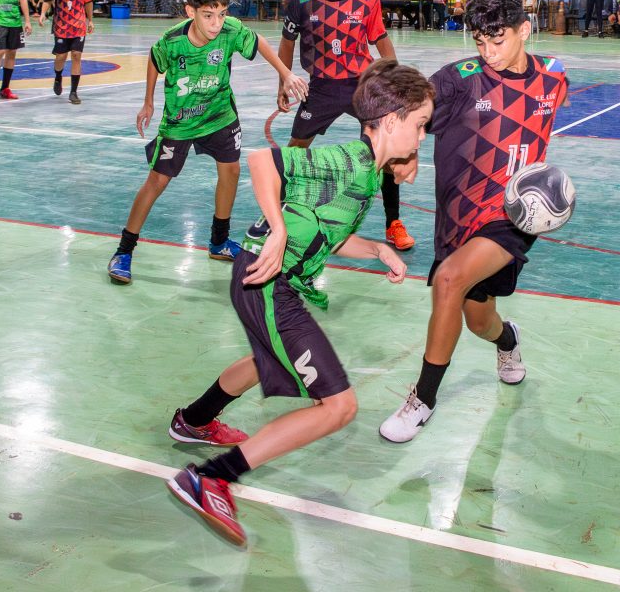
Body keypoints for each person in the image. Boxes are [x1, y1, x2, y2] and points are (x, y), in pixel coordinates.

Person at [166, 60, 435, 546]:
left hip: (266, 276)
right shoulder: (349, 160)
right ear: (392, 120)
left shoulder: (370, 175)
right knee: (337, 406)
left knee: (264, 360)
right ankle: (211, 478)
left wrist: (374, 248)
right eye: (420, 125)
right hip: (268, 279)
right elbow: (261, 161)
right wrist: (280, 228)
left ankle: (195, 419)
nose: (422, 138)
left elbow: (328, 231)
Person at [380, 0, 568, 443]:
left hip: (510, 217)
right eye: (479, 41)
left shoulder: (555, 77)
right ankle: (508, 341)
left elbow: (538, 120)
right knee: (478, 318)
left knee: (448, 281)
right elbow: (410, 112)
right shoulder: (458, 79)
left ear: (525, 30)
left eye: (497, 40)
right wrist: (409, 153)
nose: (487, 51)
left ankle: (421, 400)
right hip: (456, 218)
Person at [107, 0, 309, 286]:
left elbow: (260, 42)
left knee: (230, 172)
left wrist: (285, 74)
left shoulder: (230, 31)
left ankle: (219, 242)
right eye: (208, 15)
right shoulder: (172, 40)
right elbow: (153, 59)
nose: (216, 23)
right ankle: (124, 250)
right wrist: (148, 102)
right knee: (157, 181)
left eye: (222, 13)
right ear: (191, 11)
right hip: (180, 120)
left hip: (219, 116)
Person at [277, 0, 416, 273]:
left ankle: (394, 223)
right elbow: (287, 42)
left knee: (388, 152)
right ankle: (281, 217)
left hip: (361, 86)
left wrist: (392, 80)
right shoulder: (302, 0)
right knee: (295, 148)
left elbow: (381, 40)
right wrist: (283, 79)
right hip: (321, 87)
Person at [39, 0, 94, 103]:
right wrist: (43, 14)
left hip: (79, 25)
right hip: (61, 25)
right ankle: (58, 77)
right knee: (61, 57)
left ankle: (74, 92)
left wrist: (90, 20)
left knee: (76, 55)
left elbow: (88, 1)